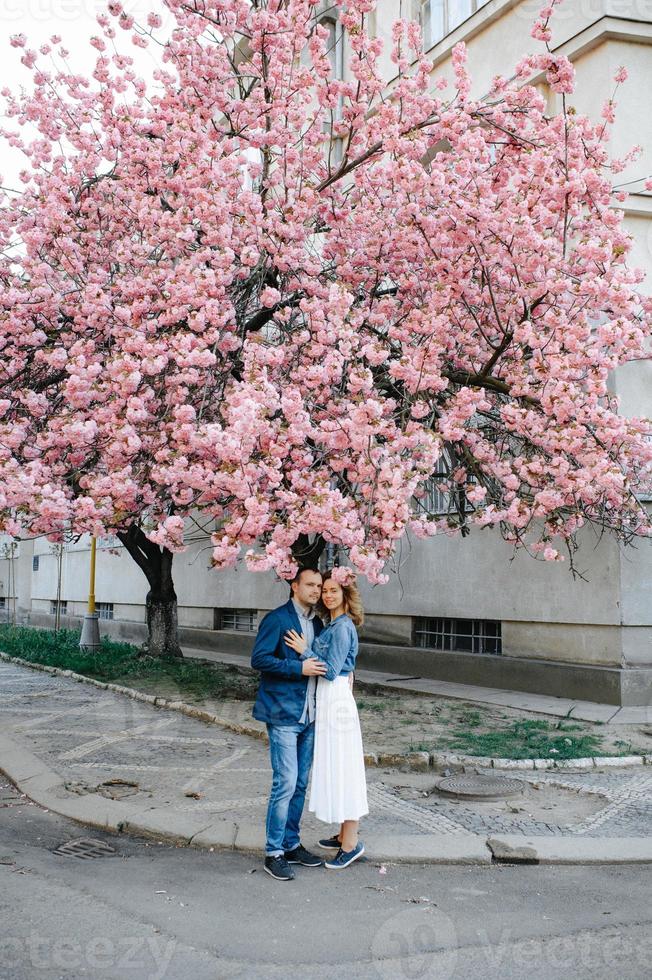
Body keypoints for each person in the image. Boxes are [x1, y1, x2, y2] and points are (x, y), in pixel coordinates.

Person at [284, 568, 368, 870]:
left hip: (336, 701)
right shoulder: (334, 624)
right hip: (330, 698)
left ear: (346, 594)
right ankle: (345, 832)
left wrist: (303, 649)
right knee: (337, 765)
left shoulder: (343, 627)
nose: (328, 595)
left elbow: (332, 670)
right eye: (326, 590)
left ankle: (351, 843)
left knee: (344, 768)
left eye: (334, 590)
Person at [251, 566, 327, 881]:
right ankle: (274, 852)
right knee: (284, 783)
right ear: (294, 586)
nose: (316, 591)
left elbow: (321, 662)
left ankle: (291, 844)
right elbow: (259, 659)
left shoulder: (318, 623)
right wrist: (298, 668)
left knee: (299, 785)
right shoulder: (277, 619)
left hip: (310, 714)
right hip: (283, 714)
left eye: (319, 586)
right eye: (310, 584)